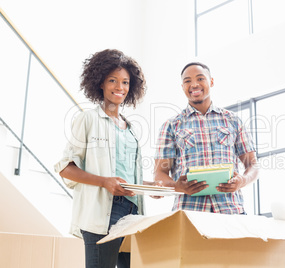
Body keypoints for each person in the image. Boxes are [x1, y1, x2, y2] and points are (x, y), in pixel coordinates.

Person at [54, 49, 157, 268]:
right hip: (103, 212)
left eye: (125, 82)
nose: (120, 87)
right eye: (113, 80)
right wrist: (105, 182)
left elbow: (127, 176)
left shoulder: (131, 129)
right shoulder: (87, 119)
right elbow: (65, 168)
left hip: (133, 211)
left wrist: (150, 187)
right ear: (100, 83)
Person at [154, 62, 259, 214]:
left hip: (231, 210)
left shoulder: (233, 120)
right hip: (189, 213)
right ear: (182, 87)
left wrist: (242, 181)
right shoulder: (171, 125)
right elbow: (160, 173)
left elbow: (253, 164)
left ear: (211, 81)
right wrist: (177, 186)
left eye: (200, 78)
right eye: (187, 81)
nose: (194, 85)